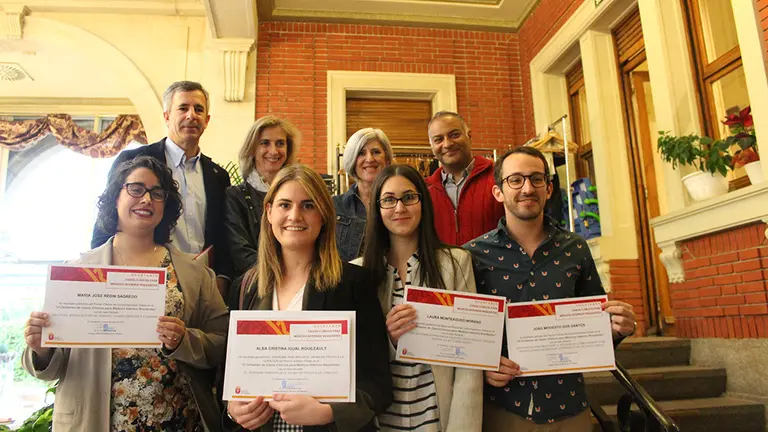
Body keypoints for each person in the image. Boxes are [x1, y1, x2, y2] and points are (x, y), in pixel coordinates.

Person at [23, 156, 229, 431]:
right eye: (136, 189)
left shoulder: (195, 273)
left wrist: (184, 340)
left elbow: (222, 343)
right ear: (115, 197)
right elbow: (53, 363)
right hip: (98, 421)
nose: (146, 199)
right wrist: (40, 348)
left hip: (179, 420)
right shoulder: (78, 273)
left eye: (157, 193)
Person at [464, 146, 636, 431]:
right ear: (498, 192)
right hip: (502, 409)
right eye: (515, 180)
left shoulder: (576, 249)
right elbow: (463, 336)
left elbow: (596, 331)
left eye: (536, 179)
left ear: (549, 188)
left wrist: (617, 329)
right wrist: (482, 367)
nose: (527, 188)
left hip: (568, 409)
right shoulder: (472, 255)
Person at [226, 165, 392, 432]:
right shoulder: (245, 288)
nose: (295, 215)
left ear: (324, 215)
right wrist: (234, 410)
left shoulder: (353, 284)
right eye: (284, 205)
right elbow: (228, 378)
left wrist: (329, 412)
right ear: (268, 212)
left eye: (307, 205)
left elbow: (378, 385)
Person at [353, 164, 482, 432]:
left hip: (436, 419)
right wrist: (386, 338)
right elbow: (350, 361)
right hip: (380, 420)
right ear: (377, 209)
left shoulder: (456, 264)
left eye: (409, 197)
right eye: (388, 200)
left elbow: (470, 361)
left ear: (423, 203)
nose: (399, 208)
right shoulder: (357, 272)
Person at [91, 80, 233, 296]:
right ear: (167, 116)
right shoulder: (135, 160)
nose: (191, 115)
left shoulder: (218, 176)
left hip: (200, 284)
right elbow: (107, 219)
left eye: (199, 109)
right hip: (142, 280)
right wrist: (97, 278)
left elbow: (222, 236)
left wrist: (221, 281)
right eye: (183, 108)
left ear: (207, 120)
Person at [224, 115, 300, 283]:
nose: (273, 151)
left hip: (298, 283)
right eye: (265, 143)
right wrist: (280, 277)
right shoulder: (235, 196)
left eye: (280, 143)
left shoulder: (300, 193)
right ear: (252, 149)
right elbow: (240, 251)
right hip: (255, 286)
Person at [425, 111, 504, 246]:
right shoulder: (425, 190)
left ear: (469, 136)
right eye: (438, 139)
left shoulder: (499, 177)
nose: (447, 144)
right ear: (431, 146)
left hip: (495, 266)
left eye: (454, 135)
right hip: (444, 267)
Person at [333, 128, 393, 261]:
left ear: (387, 160)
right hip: (346, 281)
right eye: (361, 153)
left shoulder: (399, 206)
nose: (369, 159)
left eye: (376, 152)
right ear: (352, 161)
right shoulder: (334, 206)